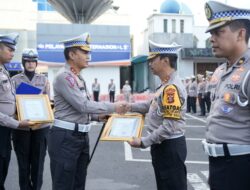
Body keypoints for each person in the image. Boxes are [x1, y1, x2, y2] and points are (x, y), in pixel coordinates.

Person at [47, 33, 125, 190]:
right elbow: (83, 105)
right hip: (65, 138)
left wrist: (97, 116)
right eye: (85, 52)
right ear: (72, 54)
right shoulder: (64, 77)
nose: (89, 56)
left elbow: (81, 109)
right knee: (64, 185)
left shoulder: (78, 78)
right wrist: (113, 106)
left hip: (80, 137)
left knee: (78, 184)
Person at [202, 1, 250, 190]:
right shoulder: (221, 70)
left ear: (240, 34)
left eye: (218, 32)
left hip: (241, 166)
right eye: (211, 33)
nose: (212, 39)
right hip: (219, 165)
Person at [128, 40, 187, 190]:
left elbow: (169, 127)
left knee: (172, 186)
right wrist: (129, 106)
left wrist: (143, 142)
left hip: (169, 147)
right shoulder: (164, 85)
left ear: (165, 60)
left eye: (153, 60)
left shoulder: (171, 88)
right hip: (163, 146)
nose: (149, 64)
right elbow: (150, 106)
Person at [11, 48, 50, 190]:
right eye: (27, 61)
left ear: (36, 63)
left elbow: (48, 104)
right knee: (23, 164)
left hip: (40, 128)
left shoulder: (44, 80)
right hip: (22, 127)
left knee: (38, 164)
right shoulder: (14, 80)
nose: (30, 64)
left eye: (33, 61)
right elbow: (10, 104)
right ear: (23, 62)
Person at [0, 33, 30, 190]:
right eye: (9, 49)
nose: (12, 53)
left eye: (14, 50)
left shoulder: (3, 71)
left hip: (5, 132)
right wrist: (17, 124)